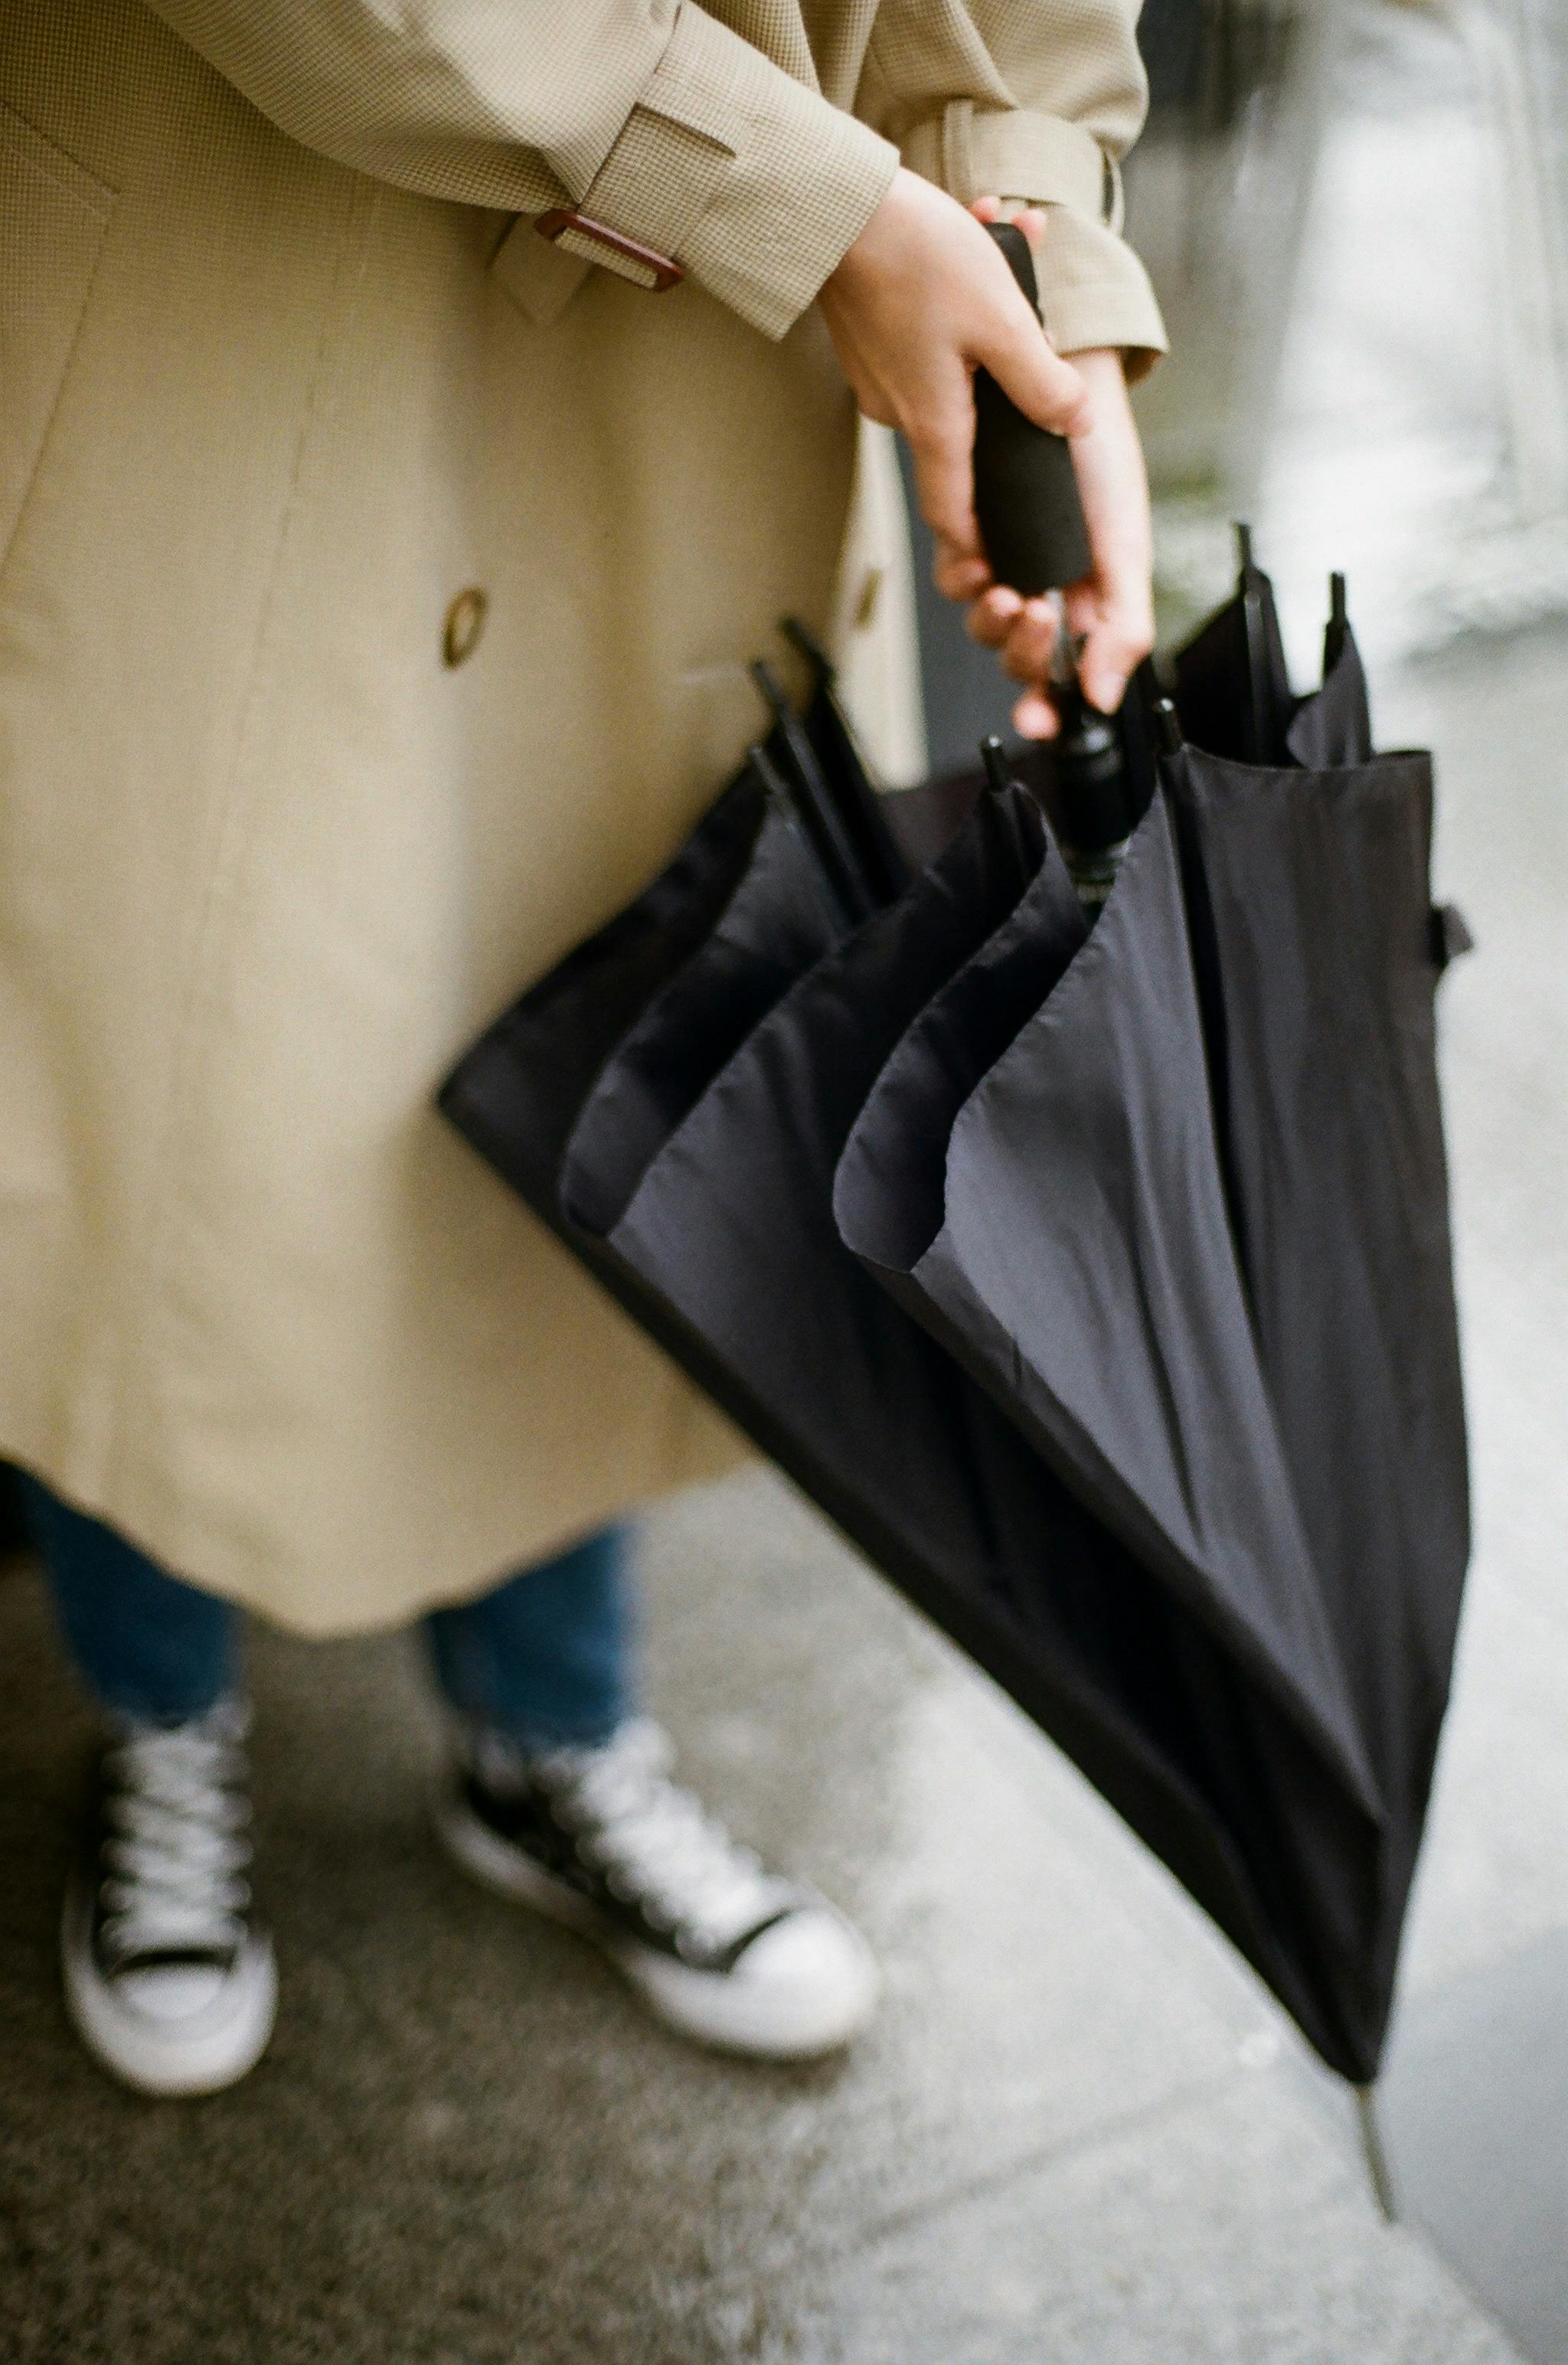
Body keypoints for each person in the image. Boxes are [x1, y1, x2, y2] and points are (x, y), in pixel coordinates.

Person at [0, 0, 1165, 2097]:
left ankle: (551, 1734)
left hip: (717, 370)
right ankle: (159, 1719)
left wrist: (1031, 261)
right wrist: (814, 211)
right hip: (242, 286)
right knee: (157, 1085)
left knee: (609, 1047)